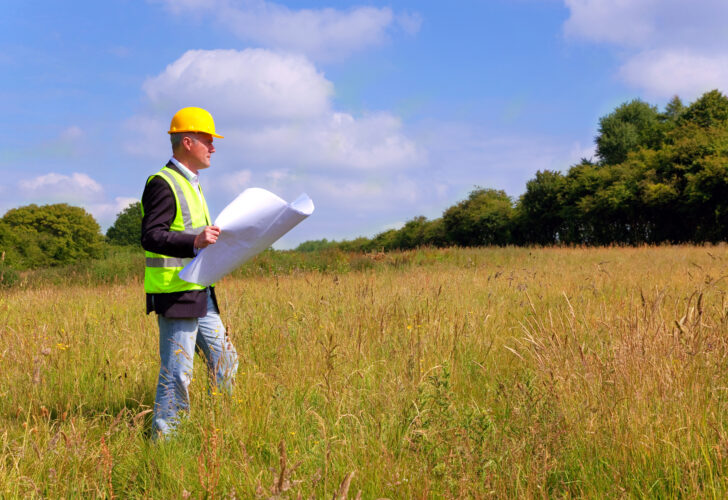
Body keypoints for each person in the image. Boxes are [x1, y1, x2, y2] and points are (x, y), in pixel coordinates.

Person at [141, 106, 238, 437]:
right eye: (207, 140)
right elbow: (151, 235)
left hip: (201, 292)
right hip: (175, 292)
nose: (213, 147)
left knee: (225, 361)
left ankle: (219, 431)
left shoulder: (192, 184)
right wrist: (194, 240)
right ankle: (165, 444)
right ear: (187, 142)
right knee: (177, 373)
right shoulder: (162, 182)